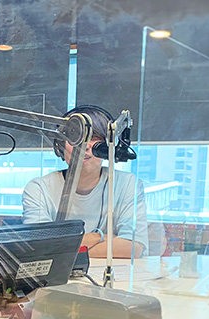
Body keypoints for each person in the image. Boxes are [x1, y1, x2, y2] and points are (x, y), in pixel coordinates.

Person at [22, 105, 148, 258]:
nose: (84, 146)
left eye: (94, 138)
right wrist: (98, 237)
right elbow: (40, 247)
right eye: (75, 137)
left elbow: (133, 247)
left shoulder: (127, 184)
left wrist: (64, 249)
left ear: (109, 146)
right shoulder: (38, 189)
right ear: (60, 145)